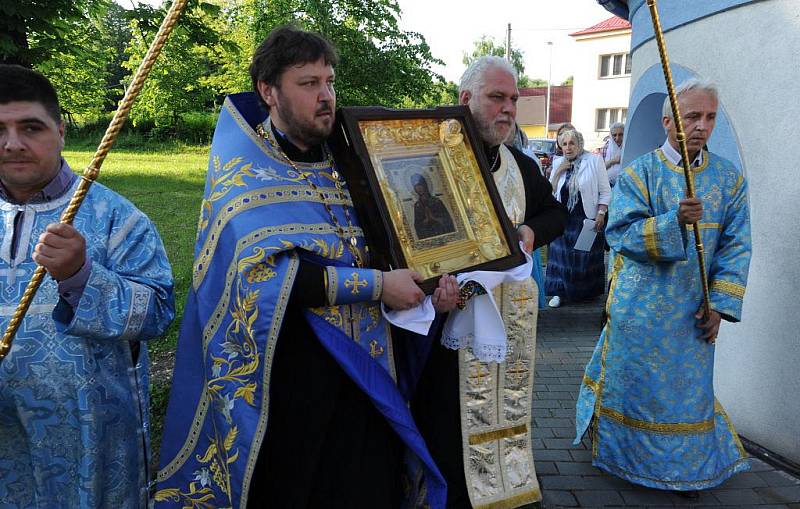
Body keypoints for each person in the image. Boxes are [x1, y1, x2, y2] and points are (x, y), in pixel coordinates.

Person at [154, 26, 457, 509]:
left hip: (367, 379)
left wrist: (431, 279)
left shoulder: (351, 162)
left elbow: (395, 244)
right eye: (309, 83)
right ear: (268, 91)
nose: (326, 97)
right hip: (288, 386)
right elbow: (260, 276)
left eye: (330, 82)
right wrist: (379, 285)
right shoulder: (243, 170)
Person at [0, 65, 175, 508]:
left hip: (89, 436)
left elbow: (157, 312)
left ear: (60, 130)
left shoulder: (118, 219)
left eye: (30, 127)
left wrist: (81, 277)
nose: (12, 143)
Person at [573, 79, 751, 495]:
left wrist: (720, 306)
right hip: (641, 309)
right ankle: (625, 460)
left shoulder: (729, 179)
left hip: (693, 311)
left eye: (709, 117)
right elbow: (619, 234)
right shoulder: (640, 173)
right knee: (637, 388)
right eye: (692, 117)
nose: (701, 126)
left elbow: (737, 245)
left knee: (687, 395)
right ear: (668, 121)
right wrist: (673, 222)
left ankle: (687, 470)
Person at [412, 56, 567, 509]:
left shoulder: (520, 164)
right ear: (466, 100)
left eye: (513, 99)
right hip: (449, 320)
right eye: (496, 97)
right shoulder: (433, 161)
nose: (508, 109)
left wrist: (530, 233)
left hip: (510, 320)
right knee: (448, 418)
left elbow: (555, 212)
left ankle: (504, 488)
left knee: (506, 406)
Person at [544, 128, 611, 308]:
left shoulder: (594, 161)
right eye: (564, 144)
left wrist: (601, 213)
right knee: (560, 256)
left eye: (571, 143)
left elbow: (605, 191)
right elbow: (549, 192)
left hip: (585, 217)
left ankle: (584, 293)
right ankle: (559, 292)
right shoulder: (558, 162)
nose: (568, 147)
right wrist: (558, 172)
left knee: (583, 257)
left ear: (579, 144)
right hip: (562, 217)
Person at [412, 173, 455, 239]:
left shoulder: (436, 201)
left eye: (420, 185)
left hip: (441, 233)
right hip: (429, 236)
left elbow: (447, 220)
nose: (418, 188)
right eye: (415, 186)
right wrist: (425, 221)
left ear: (425, 185)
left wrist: (435, 219)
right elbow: (417, 226)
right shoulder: (417, 206)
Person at [602, 122, 624, 186]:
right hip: (608, 184)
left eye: (620, 134)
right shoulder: (606, 147)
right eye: (614, 135)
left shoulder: (628, 147)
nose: (617, 138)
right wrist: (613, 161)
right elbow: (601, 168)